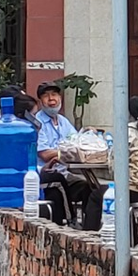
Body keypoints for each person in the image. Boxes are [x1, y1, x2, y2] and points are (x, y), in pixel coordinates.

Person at [82, 96, 138, 246]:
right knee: (120, 196)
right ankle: (136, 242)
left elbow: (114, 167)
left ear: (128, 113)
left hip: (135, 191)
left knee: (97, 196)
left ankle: (87, 242)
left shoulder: (126, 132)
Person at [34, 81, 87, 226]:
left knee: (89, 188)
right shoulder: (38, 122)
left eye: (54, 94)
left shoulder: (63, 121)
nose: (51, 99)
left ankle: (90, 227)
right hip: (46, 174)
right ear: (40, 101)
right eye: (46, 96)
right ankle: (70, 222)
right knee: (59, 181)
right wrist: (67, 151)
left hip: (65, 172)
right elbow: (44, 154)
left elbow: (76, 143)